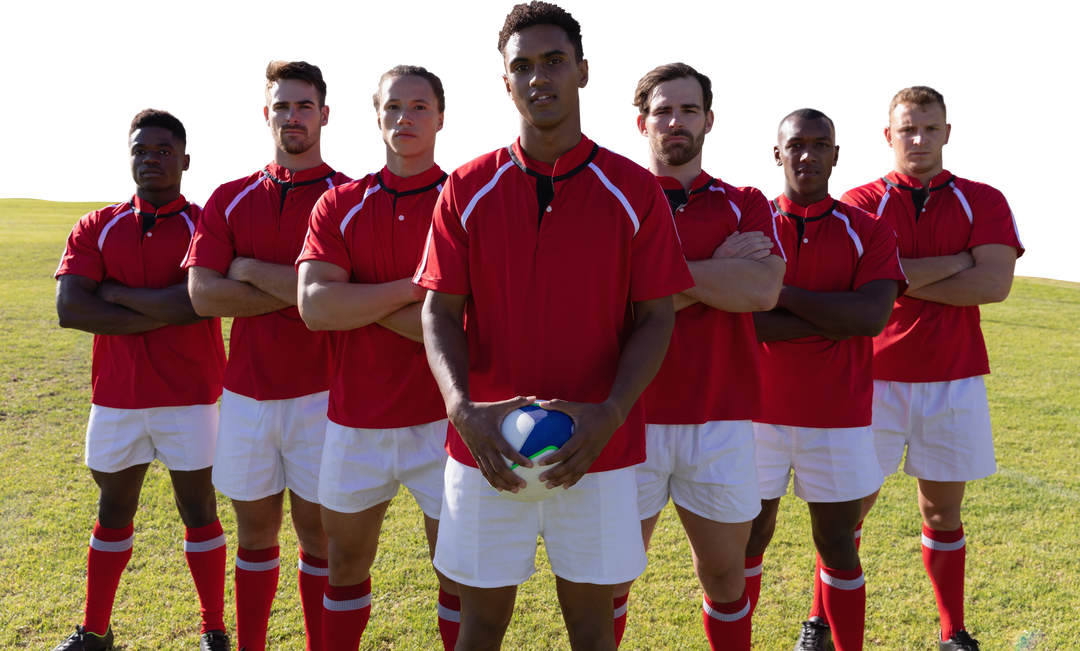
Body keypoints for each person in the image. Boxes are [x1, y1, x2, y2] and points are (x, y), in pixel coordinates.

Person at [414, 2, 694, 649]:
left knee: (594, 632)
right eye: (523, 66)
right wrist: (463, 408)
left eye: (554, 61)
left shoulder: (635, 188)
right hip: (488, 451)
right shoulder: (465, 185)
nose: (540, 78)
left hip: (598, 451)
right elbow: (438, 308)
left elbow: (656, 315)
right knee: (479, 625)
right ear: (504, 84)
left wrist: (610, 412)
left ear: (585, 73)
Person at [837, 83, 1026, 651]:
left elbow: (993, 284)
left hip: (953, 379)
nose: (918, 139)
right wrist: (958, 260)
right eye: (907, 128)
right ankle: (823, 622)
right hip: (869, 381)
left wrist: (899, 276)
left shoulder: (985, 198)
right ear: (887, 135)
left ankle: (953, 630)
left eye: (930, 128)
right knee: (845, 515)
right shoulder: (858, 202)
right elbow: (861, 283)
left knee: (942, 512)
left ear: (949, 132)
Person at [610, 60, 785, 650]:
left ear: (710, 121)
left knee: (725, 577)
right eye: (663, 111)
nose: (676, 122)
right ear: (641, 123)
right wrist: (717, 274)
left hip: (721, 419)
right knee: (608, 579)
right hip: (627, 416)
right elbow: (606, 309)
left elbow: (761, 290)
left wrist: (652, 282)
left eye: (689, 110)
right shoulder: (613, 199)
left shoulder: (747, 200)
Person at [184, 57, 354, 651]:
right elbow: (204, 295)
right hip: (247, 396)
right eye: (280, 106)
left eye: (304, 105)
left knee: (319, 537)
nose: (292, 117)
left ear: (326, 115)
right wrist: (307, 293)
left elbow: (338, 300)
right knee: (254, 533)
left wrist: (251, 270)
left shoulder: (349, 197)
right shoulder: (228, 196)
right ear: (264, 114)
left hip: (326, 396)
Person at [295, 61, 460, 651]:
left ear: (441, 119)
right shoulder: (339, 203)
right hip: (354, 418)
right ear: (374, 117)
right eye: (393, 106)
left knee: (458, 575)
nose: (404, 118)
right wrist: (420, 290)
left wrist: (358, 300)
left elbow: (474, 327)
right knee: (344, 566)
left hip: (447, 421)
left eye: (419, 107)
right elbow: (315, 307)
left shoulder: (467, 200)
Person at [53, 106, 229, 651]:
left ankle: (214, 630)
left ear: (186, 161)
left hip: (192, 396)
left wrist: (117, 292)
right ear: (127, 158)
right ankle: (96, 632)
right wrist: (168, 307)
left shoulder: (207, 221)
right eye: (140, 150)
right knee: (112, 511)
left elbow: (200, 303)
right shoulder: (95, 225)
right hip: (118, 398)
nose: (151, 159)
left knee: (199, 511)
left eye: (163, 151)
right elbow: (71, 309)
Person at [744, 106, 907, 651]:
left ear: (839, 154)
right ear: (776, 154)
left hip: (838, 418)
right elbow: (743, 324)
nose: (807, 155)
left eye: (820, 144)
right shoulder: (750, 224)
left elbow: (868, 319)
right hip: (754, 415)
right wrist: (830, 315)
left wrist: (778, 290)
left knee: (838, 544)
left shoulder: (869, 230)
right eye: (796, 145)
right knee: (747, 542)